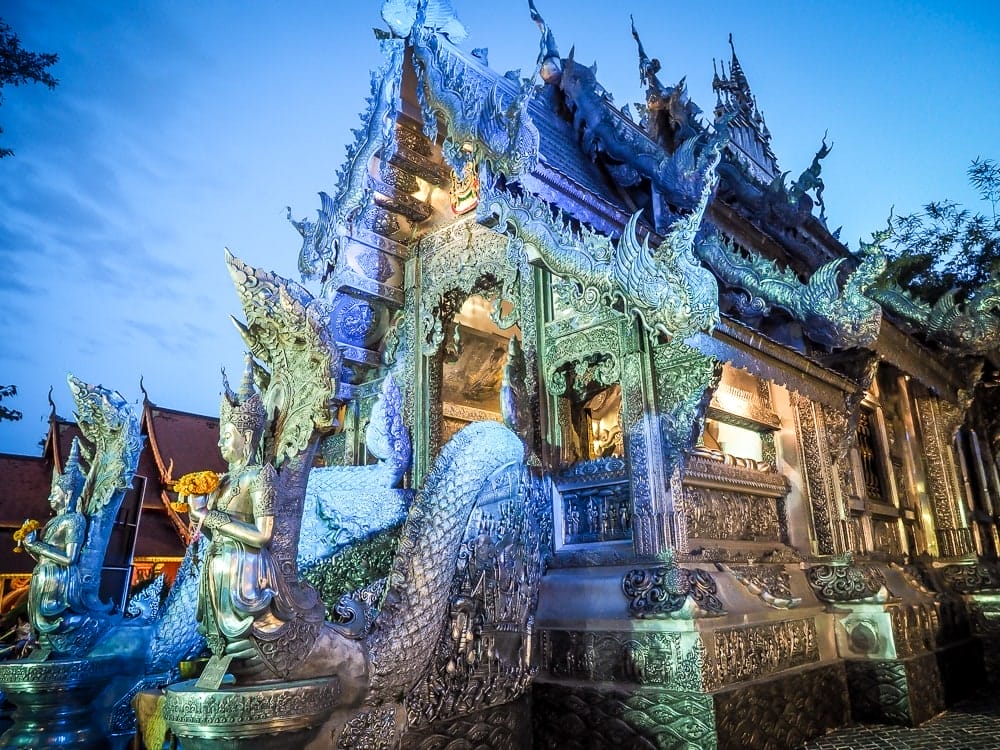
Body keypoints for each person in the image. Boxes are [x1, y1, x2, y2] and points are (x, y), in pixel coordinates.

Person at [183, 361, 302, 678]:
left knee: (246, 643)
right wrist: (199, 516)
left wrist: (212, 517)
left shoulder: (259, 476)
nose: (220, 443)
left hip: (247, 570)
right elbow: (213, 531)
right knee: (223, 644)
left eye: (226, 436)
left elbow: (263, 535)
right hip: (220, 568)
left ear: (247, 435)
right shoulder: (221, 481)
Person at [22, 438, 88, 650]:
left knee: (56, 622)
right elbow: (44, 555)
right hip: (44, 574)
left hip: (58, 580)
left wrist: (38, 546)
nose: (51, 495)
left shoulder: (75, 520)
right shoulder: (53, 521)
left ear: (67, 494)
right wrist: (30, 545)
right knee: (39, 629)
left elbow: (69, 559)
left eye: (55, 491)